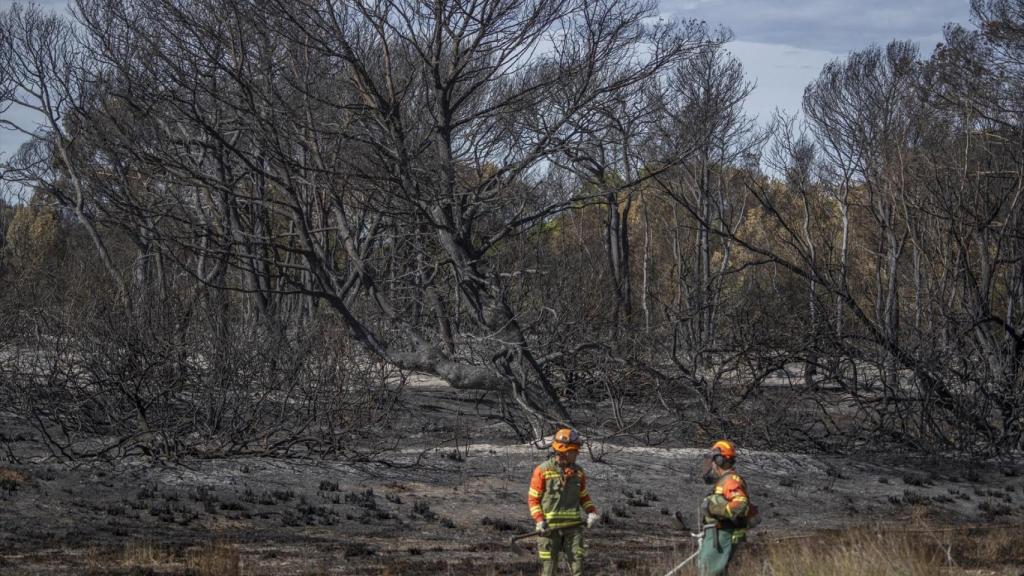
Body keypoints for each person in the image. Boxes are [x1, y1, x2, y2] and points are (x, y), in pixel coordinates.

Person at [527, 428, 600, 576]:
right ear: (562, 451)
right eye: (573, 451)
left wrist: (592, 512)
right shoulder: (542, 471)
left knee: (578, 568)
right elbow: (533, 500)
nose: (577, 454)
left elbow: (583, 496)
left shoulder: (578, 472)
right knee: (549, 570)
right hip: (549, 530)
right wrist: (540, 521)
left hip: (573, 528)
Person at [697, 439, 757, 576]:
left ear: (719, 461)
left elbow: (740, 504)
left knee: (710, 572)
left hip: (722, 534)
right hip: (719, 534)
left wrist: (713, 509)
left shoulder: (730, 481)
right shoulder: (725, 481)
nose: (711, 464)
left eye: (713, 460)